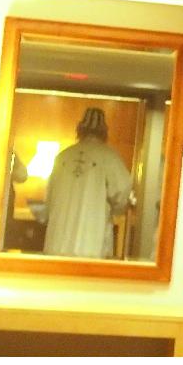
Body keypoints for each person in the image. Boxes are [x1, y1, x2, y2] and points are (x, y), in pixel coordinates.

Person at [43, 107, 133, 258]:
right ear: (104, 132)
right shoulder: (110, 158)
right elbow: (122, 190)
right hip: (91, 243)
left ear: (79, 130)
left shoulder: (62, 157)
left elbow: (49, 198)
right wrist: (116, 210)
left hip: (58, 242)